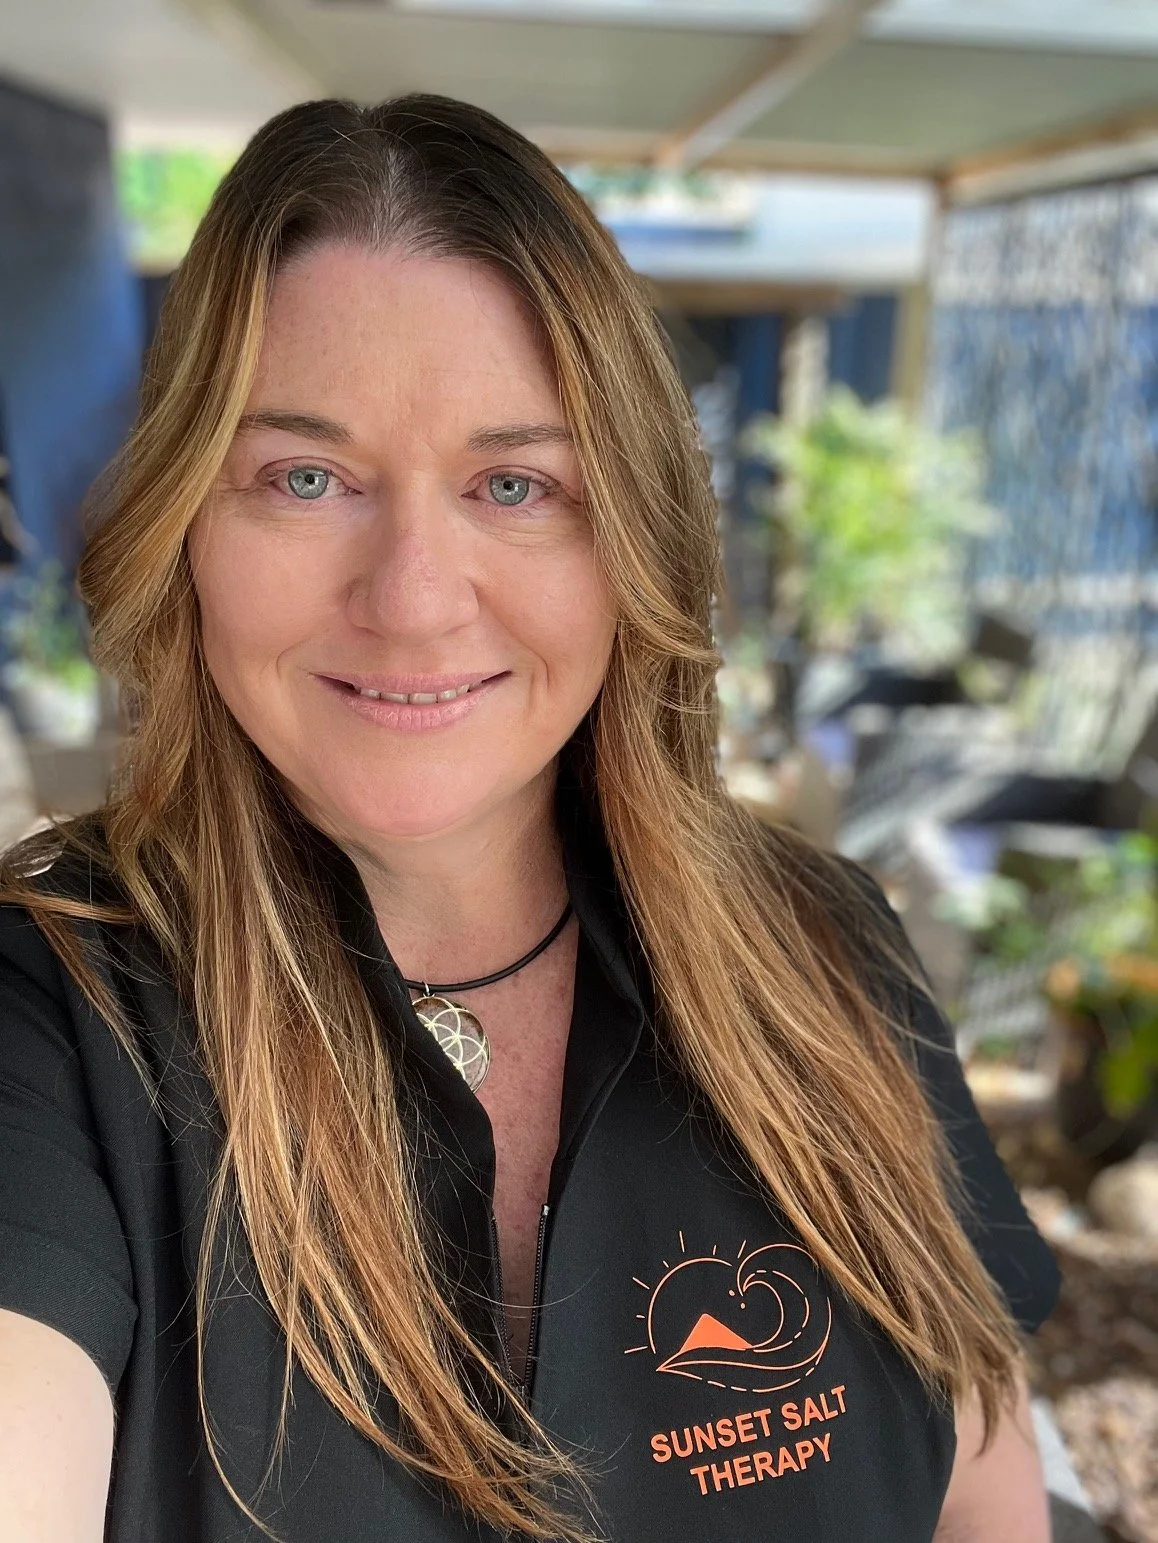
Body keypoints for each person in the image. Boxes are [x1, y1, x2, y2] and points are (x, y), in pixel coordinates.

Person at [0, 95, 1059, 1543]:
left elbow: (983, 1487)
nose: (413, 598)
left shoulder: (826, 948)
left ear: (630, 536)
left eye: (515, 484)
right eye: (304, 477)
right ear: (185, 520)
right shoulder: (53, 1019)